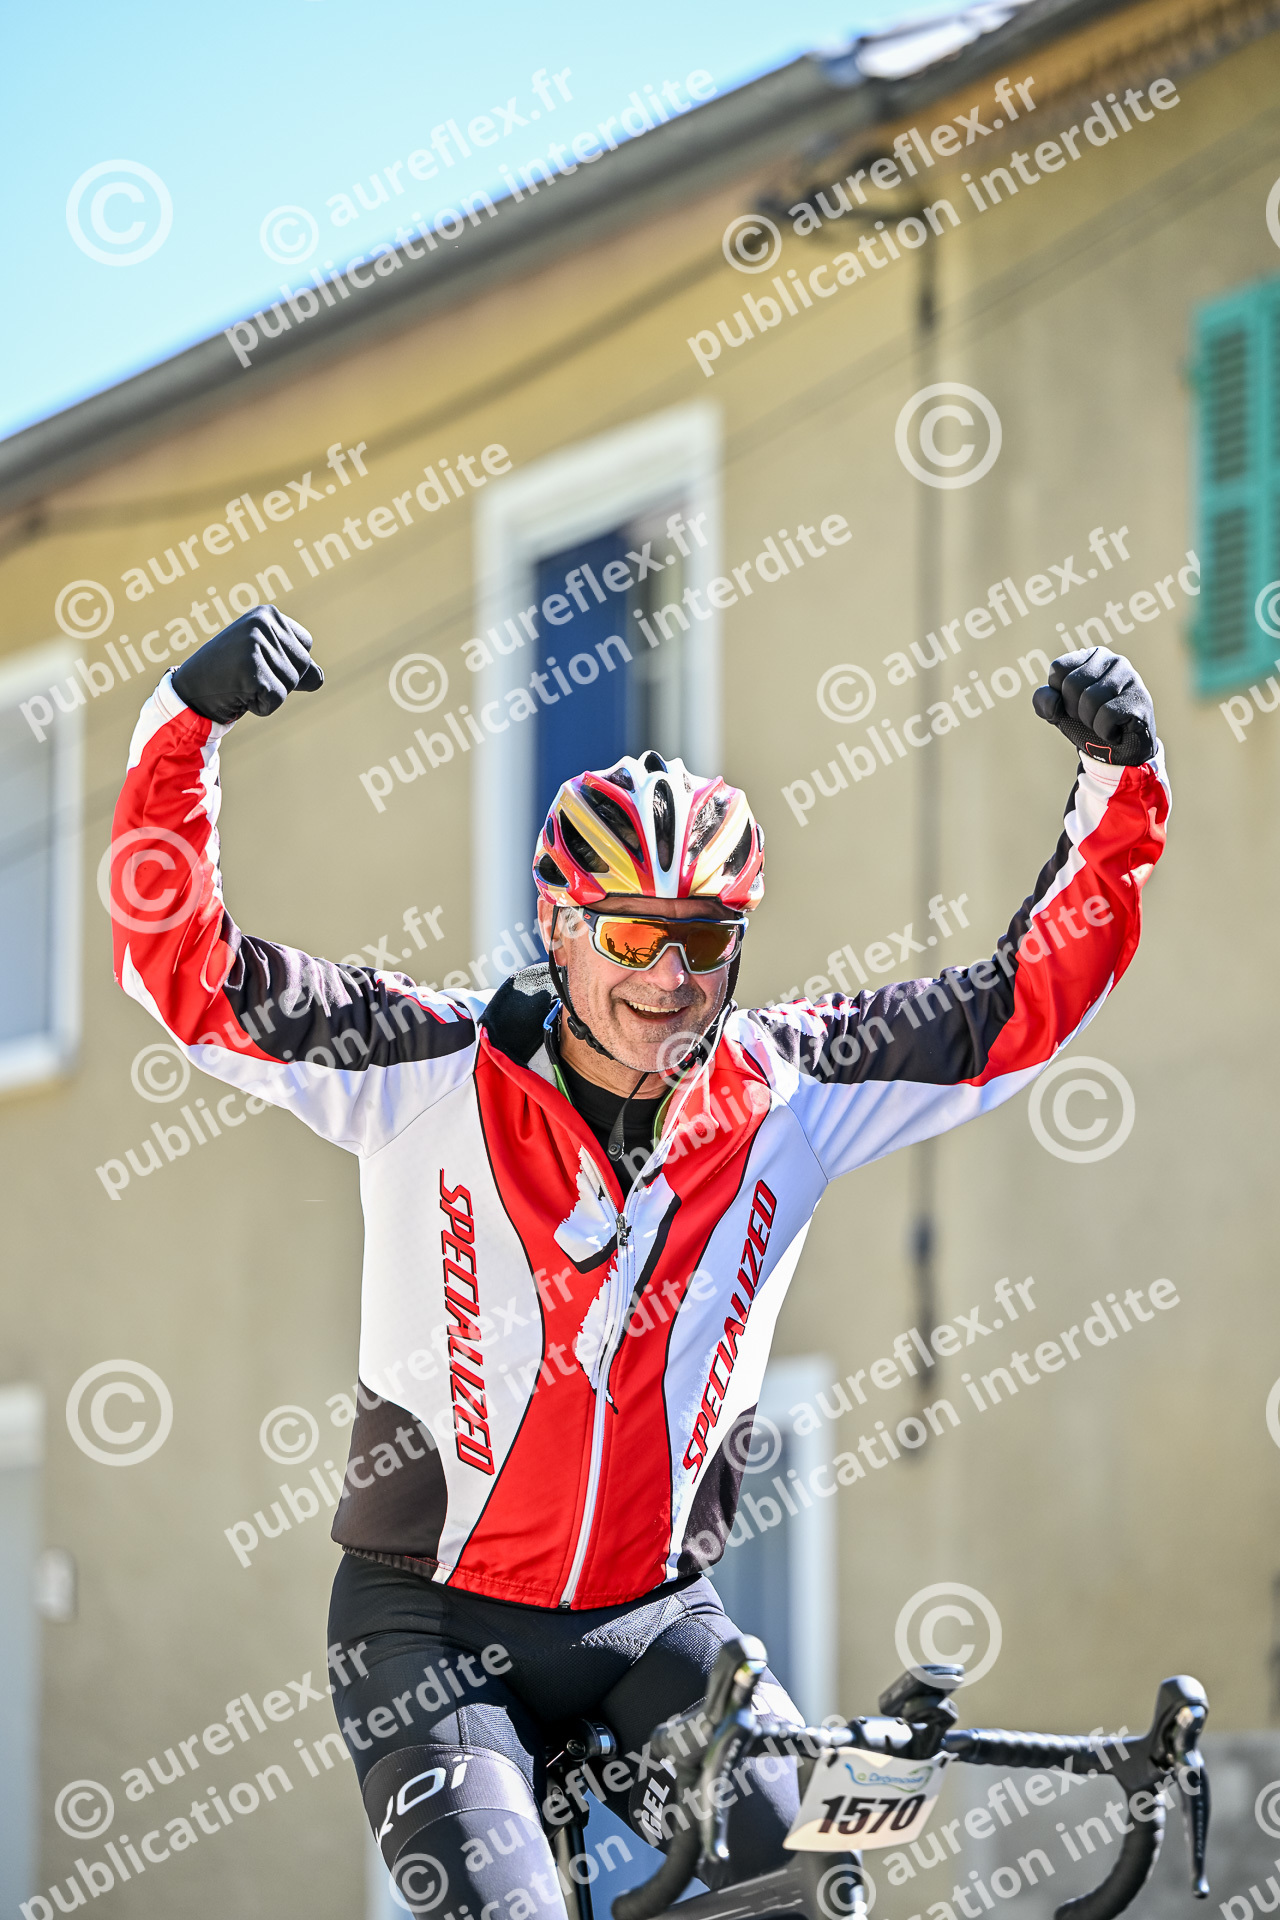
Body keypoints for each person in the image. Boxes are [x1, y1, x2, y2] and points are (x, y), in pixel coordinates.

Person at [109, 607, 1168, 1915]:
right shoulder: (426, 1068)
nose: (668, 977)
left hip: (655, 1620)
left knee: (809, 1895)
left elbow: (1022, 1009)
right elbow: (181, 969)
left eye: (704, 939)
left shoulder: (794, 1091)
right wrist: (182, 724)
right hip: (430, 1627)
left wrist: (1120, 783)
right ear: (558, 927)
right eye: (627, 936)